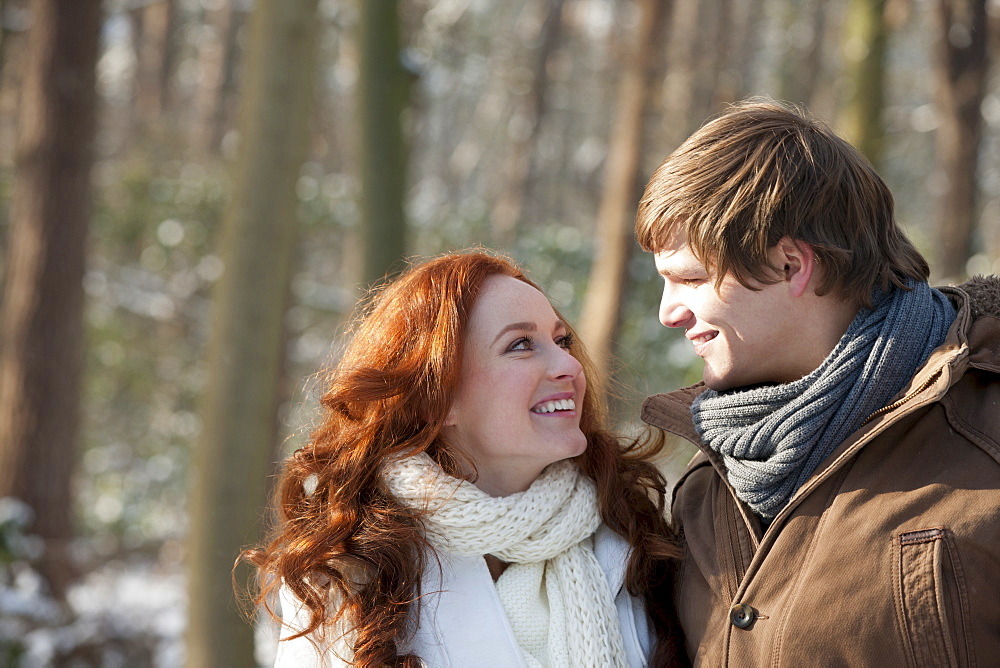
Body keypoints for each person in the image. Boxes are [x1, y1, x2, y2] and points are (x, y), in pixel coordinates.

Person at [635, 99, 1000, 665]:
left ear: (792, 265)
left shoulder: (985, 429)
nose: (668, 312)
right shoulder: (706, 485)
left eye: (691, 278)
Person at [246, 251, 686, 667]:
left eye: (561, 340)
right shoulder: (351, 568)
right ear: (434, 400)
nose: (568, 366)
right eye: (520, 345)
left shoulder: (637, 533)